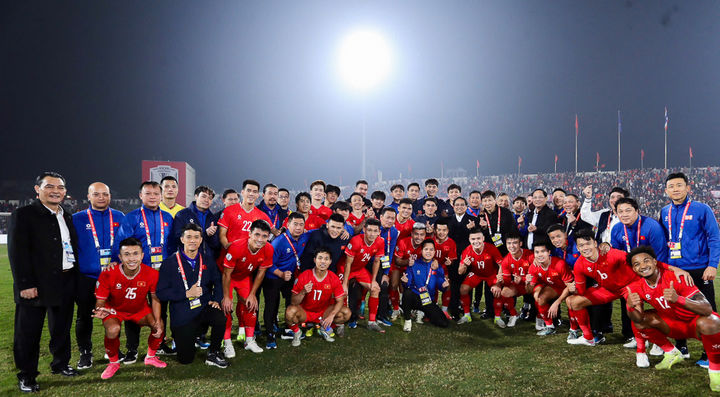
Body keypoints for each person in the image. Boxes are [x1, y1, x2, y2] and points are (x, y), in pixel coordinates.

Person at [566, 229, 691, 367]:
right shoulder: (579, 264)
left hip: (631, 286)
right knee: (573, 301)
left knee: (636, 313)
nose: (585, 248)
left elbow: (640, 261)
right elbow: (581, 291)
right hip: (609, 290)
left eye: (588, 243)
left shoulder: (612, 254)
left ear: (595, 243)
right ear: (577, 248)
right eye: (581, 245)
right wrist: (573, 288)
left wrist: (673, 269)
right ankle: (588, 338)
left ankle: (641, 351)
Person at [9, 172, 79, 392]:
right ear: (37, 189)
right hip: (35, 285)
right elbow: (17, 252)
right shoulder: (24, 215)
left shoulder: (66, 215)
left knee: (61, 328)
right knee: (28, 332)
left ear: (65, 192)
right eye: (49, 186)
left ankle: (61, 364)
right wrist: (25, 284)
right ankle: (27, 375)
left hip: (65, 280)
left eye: (60, 187)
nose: (55, 191)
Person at [626, 246, 720, 391]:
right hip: (673, 325)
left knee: (711, 321)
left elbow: (707, 309)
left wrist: (679, 299)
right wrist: (630, 306)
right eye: (637, 264)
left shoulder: (676, 277)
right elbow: (637, 319)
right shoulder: (636, 287)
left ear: (655, 262)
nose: (643, 266)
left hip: (695, 324)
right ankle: (671, 353)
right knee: (642, 321)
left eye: (646, 261)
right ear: (633, 269)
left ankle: (715, 372)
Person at [660, 172, 720, 367]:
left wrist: (712, 264)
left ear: (688, 187)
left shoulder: (702, 209)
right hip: (675, 269)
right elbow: (664, 240)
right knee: (676, 308)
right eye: (671, 186)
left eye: (679, 185)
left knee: (707, 310)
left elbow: (713, 237)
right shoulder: (664, 211)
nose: (675, 189)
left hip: (699, 268)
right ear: (666, 190)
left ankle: (710, 353)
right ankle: (681, 347)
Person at [115, 181, 174, 359]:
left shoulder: (167, 217)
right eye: (148, 193)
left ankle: (160, 343)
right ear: (141, 196)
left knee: (161, 310)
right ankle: (132, 350)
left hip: (161, 272)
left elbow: (171, 245)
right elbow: (122, 244)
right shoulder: (132, 217)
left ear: (161, 196)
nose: (153, 197)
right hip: (138, 272)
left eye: (156, 193)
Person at [93, 237, 166, 379]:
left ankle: (150, 357)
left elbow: (155, 299)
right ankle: (113, 362)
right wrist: (101, 309)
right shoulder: (108, 273)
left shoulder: (152, 273)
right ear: (120, 257)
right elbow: (100, 300)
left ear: (142, 255)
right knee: (113, 330)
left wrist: (157, 319)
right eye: (126, 254)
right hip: (115, 310)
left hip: (139, 309)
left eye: (135, 254)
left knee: (159, 326)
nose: (131, 258)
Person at [156, 223, 228, 368]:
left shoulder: (207, 259)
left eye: (196, 237)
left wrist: (215, 300)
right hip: (183, 314)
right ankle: (185, 338)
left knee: (220, 317)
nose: (192, 240)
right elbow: (161, 293)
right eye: (189, 237)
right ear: (182, 239)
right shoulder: (169, 263)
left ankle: (213, 353)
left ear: (201, 240)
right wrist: (186, 294)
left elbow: (218, 281)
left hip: (203, 307)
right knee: (186, 359)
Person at [71, 182, 125, 370]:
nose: (101, 197)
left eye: (105, 194)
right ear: (88, 196)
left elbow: (123, 245)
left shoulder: (119, 217)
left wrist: (118, 261)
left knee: (113, 315)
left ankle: (112, 350)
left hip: (112, 277)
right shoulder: (76, 219)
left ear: (110, 196)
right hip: (87, 277)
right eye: (96, 194)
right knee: (84, 316)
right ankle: (85, 353)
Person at [221, 220, 273, 357]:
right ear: (249, 234)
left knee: (251, 304)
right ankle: (227, 342)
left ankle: (249, 340)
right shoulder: (237, 246)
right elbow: (226, 274)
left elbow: (261, 272)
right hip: (228, 276)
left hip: (244, 277)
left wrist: (253, 294)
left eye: (264, 236)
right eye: (257, 235)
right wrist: (226, 296)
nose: (260, 239)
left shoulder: (268, 249)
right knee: (226, 306)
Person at [285, 248, 351, 346]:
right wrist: (303, 292)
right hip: (306, 312)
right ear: (315, 260)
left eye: (326, 259)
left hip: (323, 311)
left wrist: (331, 315)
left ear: (330, 262)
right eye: (320, 258)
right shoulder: (305, 275)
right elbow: (293, 302)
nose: (323, 261)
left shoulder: (333, 278)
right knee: (290, 312)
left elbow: (340, 300)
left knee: (346, 313)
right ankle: (297, 332)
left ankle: (325, 327)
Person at [263, 212, 307, 348]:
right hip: (273, 277)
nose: (298, 227)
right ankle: (270, 334)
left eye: (301, 224)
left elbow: (317, 231)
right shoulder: (279, 242)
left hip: (289, 276)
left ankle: (289, 328)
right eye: (295, 224)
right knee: (272, 305)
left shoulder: (304, 237)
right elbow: (268, 264)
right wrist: (281, 274)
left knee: (291, 301)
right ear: (288, 225)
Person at [341, 218, 385, 333]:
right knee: (342, 292)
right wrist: (345, 283)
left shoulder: (380, 241)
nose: (372, 234)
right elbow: (347, 263)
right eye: (369, 230)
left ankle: (371, 322)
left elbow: (376, 261)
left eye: (375, 231)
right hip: (345, 269)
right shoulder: (356, 241)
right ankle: (340, 321)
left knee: (375, 288)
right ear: (364, 230)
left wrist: (374, 280)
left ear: (379, 232)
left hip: (359, 269)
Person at [525, 239, 576, 336]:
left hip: (568, 287)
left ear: (549, 252)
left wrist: (557, 302)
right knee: (539, 298)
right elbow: (529, 291)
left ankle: (575, 329)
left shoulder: (559, 264)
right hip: (554, 287)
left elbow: (570, 286)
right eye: (537, 252)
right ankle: (550, 327)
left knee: (572, 301)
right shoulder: (533, 267)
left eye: (543, 251)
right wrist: (527, 283)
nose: (540, 255)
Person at [401, 239, 451, 331]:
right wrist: (405, 281)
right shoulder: (414, 264)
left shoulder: (438, 267)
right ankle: (408, 321)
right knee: (407, 293)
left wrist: (444, 285)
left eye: (431, 250)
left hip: (427, 300)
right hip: (415, 297)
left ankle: (422, 312)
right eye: (426, 249)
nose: (429, 252)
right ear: (422, 251)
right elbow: (406, 284)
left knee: (444, 323)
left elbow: (440, 285)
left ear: (434, 252)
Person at [457, 228, 503, 325]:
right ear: (469, 240)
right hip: (476, 274)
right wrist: (464, 265)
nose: (476, 241)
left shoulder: (491, 248)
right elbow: (460, 272)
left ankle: (498, 317)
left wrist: (498, 281)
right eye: (473, 239)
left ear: (483, 238)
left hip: (491, 274)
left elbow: (501, 265)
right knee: (463, 289)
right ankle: (467, 315)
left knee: (497, 291)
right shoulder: (467, 251)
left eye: (478, 238)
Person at [218, 179, 271, 250]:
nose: (251, 194)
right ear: (242, 192)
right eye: (248, 191)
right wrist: (228, 247)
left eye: (254, 192)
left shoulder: (263, 216)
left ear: (258, 195)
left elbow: (267, 237)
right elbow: (222, 234)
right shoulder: (229, 210)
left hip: (251, 258)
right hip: (229, 256)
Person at [611, 197, 668, 262]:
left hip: (650, 267)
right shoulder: (616, 229)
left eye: (628, 211)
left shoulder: (652, 226)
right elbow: (615, 255)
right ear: (616, 214)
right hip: (629, 267)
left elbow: (660, 256)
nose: (624, 215)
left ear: (636, 211)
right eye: (620, 212)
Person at [170, 186, 220, 259]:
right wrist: (204, 234)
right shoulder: (182, 215)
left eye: (210, 198)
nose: (206, 200)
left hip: (207, 260)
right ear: (196, 196)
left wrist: (211, 236)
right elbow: (177, 237)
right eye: (203, 196)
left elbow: (216, 245)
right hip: (187, 258)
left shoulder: (213, 218)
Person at [392, 223, 427, 319]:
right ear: (412, 234)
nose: (419, 237)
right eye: (416, 234)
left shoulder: (426, 244)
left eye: (422, 234)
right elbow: (397, 261)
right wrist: (407, 262)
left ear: (425, 235)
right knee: (394, 284)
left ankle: (416, 307)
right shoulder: (403, 242)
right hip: (400, 266)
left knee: (419, 284)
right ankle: (396, 308)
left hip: (414, 269)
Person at [499, 231, 533, 328]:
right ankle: (514, 314)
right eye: (509, 243)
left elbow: (536, 274)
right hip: (517, 285)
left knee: (540, 291)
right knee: (504, 292)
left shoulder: (530, 255)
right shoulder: (506, 260)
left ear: (520, 244)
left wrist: (523, 279)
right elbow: (506, 280)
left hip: (530, 284)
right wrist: (501, 280)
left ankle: (540, 317)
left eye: (514, 243)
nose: (512, 246)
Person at [478, 190, 519, 256]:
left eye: (490, 200)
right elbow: (480, 235)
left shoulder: (506, 212)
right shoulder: (481, 216)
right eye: (485, 201)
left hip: (506, 249)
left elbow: (514, 230)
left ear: (495, 201)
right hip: (489, 250)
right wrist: (484, 228)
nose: (487, 203)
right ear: (482, 203)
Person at [377, 207, 400, 325]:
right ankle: (354, 316)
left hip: (382, 264)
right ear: (381, 217)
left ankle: (381, 315)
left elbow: (390, 252)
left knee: (384, 286)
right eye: (388, 217)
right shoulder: (374, 228)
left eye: (393, 218)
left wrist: (386, 273)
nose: (390, 220)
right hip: (368, 263)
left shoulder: (394, 231)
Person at [433, 218, 457, 317]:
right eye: (439, 230)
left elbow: (451, 260)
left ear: (448, 231)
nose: (441, 232)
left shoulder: (451, 243)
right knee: (432, 288)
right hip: (431, 269)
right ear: (435, 230)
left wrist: (449, 262)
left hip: (443, 270)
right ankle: (432, 308)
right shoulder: (430, 239)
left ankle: (444, 310)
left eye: (444, 230)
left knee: (447, 287)